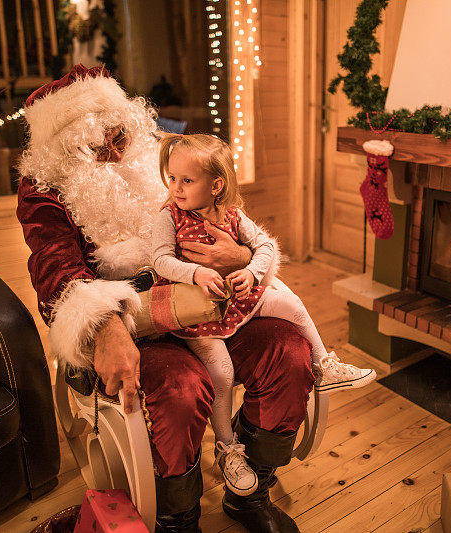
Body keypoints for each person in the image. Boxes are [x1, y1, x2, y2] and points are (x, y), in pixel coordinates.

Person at [16, 64, 314, 533]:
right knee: (179, 391)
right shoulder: (43, 192)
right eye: (98, 145)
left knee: (290, 353)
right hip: (141, 323)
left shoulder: (160, 162)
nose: (116, 153)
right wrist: (104, 325)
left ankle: (251, 488)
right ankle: (179, 518)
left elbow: (225, 216)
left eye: (120, 137)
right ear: (66, 150)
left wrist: (238, 257)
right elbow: (56, 272)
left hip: (211, 304)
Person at [151, 133, 376, 496]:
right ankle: (227, 447)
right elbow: (160, 258)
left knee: (291, 305)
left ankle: (324, 365)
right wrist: (195, 272)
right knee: (221, 373)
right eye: (172, 178)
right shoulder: (169, 216)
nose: (176, 188)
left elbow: (265, 246)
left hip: (236, 300)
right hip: (197, 311)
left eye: (187, 180)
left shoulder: (233, 215)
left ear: (216, 185)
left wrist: (252, 270)